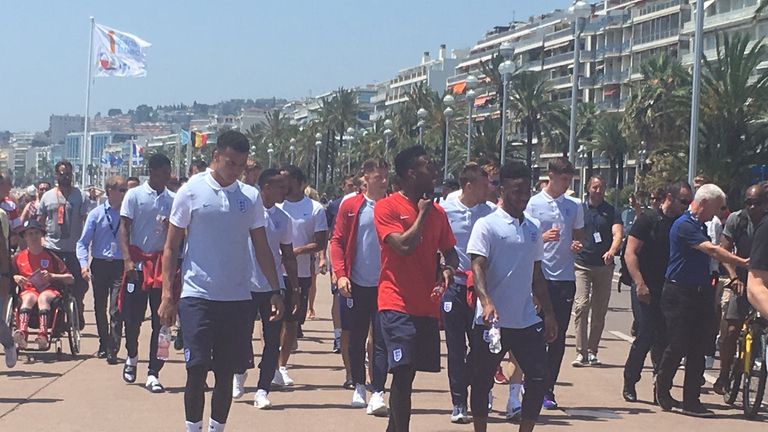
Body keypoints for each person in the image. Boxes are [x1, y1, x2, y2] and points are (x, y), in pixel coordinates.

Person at [158, 130, 284, 432]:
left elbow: (262, 247)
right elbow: (172, 246)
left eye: (241, 165)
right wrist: (166, 294)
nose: (236, 170)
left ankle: (217, 428)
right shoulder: (191, 191)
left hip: (237, 298)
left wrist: (275, 289)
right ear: (216, 157)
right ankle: (193, 428)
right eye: (230, 163)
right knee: (197, 368)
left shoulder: (250, 197)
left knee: (226, 372)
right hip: (197, 295)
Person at [468, 161, 558, 432]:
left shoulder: (533, 227)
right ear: (502, 188)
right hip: (492, 322)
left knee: (538, 378)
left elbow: (537, 274)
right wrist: (486, 301)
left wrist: (550, 314)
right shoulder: (487, 225)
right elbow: (477, 266)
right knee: (482, 381)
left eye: (526, 192)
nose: (522, 198)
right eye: (516, 191)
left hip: (525, 320)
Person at [374, 145, 458, 431]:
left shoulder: (439, 213)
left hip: (426, 306)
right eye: (428, 165)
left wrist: (447, 268)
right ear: (411, 173)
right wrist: (421, 214)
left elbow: (451, 251)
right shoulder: (387, 207)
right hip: (395, 302)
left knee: (408, 376)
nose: (434, 170)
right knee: (402, 370)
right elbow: (403, 247)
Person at [656, 184, 748, 418]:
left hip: (700, 291)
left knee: (699, 347)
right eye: (716, 208)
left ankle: (691, 400)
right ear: (705, 203)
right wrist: (742, 261)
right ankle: (663, 385)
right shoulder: (685, 224)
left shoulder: (700, 225)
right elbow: (712, 250)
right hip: (679, 292)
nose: (717, 213)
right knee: (678, 344)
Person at [232, 168, 299, 409]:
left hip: (272, 286)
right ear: (267, 187)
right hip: (244, 284)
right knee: (241, 334)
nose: (286, 190)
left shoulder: (283, 219)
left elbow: (288, 255)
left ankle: (263, 388)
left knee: (272, 340)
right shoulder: (246, 213)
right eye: (281, 186)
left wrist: (295, 288)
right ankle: (239, 372)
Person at [622, 181, 692, 404]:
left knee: (665, 338)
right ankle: (630, 381)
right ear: (669, 198)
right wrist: (639, 284)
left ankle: (661, 389)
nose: (686, 206)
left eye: (689, 202)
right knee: (645, 335)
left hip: (669, 288)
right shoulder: (648, 220)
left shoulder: (683, 223)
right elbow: (630, 253)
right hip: (644, 284)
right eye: (683, 201)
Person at [330, 158, 390, 415]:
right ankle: (358, 385)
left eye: (386, 176)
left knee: (381, 339)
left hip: (386, 285)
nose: (384, 180)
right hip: (355, 284)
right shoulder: (352, 205)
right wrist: (341, 274)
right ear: (366, 176)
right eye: (379, 176)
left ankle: (378, 391)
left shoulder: (392, 205)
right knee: (355, 337)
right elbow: (337, 241)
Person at [524, 157, 584, 410]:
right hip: (540, 278)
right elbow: (525, 235)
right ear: (550, 176)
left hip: (565, 278)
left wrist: (576, 245)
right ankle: (530, 381)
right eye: (562, 178)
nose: (565, 183)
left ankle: (548, 388)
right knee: (535, 333)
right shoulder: (534, 203)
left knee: (557, 337)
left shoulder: (575, 205)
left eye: (569, 179)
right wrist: (542, 237)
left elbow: (578, 235)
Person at [437, 162, 495, 423]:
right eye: (485, 185)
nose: (489, 189)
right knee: (455, 347)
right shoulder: (445, 210)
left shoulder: (492, 212)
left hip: (483, 289)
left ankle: (482, 390)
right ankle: (458, 402)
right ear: (469, 186)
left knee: (483, 346)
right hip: (455, 286)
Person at [118, 153, 174, 393]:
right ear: (151, 171)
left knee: (161, 322)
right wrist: (127, 260)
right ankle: (131, 355)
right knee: (132, 317)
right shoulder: (134, 195)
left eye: (168, 173)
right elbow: (123, 228)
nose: (166, 177)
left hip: (161, 268)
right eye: (162, 173)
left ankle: (154, 371)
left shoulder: (172, 199)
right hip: (138, 268)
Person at [275, 165, 328, 386]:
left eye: (285, 180)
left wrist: (296, 252)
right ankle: (271, 365)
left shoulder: (314, 209)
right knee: (272, 321)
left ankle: (281, 365)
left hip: (301, 272)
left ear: (298, 182)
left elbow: (321, 242)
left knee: (291, 322)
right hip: (274, 272)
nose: (281, 185)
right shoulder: (275, 205)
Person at [713, 184, 768, 394]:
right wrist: (734, 276)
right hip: (742, 277)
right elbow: (723, 251)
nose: (752, 207)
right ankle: (724, 374)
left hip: (764, 277)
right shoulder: (737, 219)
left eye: (758, 203)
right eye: (749, 203)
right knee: (732, 329)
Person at [572, 175, 623, 367]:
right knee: (581, 306)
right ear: (588, 189)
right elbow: (571, 231)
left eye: (601, 187)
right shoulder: (580, 209)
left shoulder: (610, 211)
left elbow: (618, 233)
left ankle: (592, 350)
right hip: (582, 264)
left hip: (604, 266)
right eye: (595, 187)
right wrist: (573, 244)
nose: (598, 191)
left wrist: (612, 251)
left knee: (599, 310)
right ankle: (580, 352)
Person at [76, 176, 128, 364]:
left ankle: (113, 347)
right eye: (121, 190)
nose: (124, 193)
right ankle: (103, 342)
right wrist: (83, 265)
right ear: (109, 191)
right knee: (99, 306)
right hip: (99, 264)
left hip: (120, 265)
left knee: (116, 307)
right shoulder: (96, 214)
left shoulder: (127, 214)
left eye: (125, 190)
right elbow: (82, 243)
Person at [38, 161, 89, 328]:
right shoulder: (47, 196)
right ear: (56, 175)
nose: (65, 176)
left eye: (68, 173)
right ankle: (56, 320)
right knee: (53, 285)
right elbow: (40, 221)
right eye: (62, 173)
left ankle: (78, 310)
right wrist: (41, 240)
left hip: (74, 249)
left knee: (79, 284)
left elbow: (86, 221)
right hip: (52, 248)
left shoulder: (80, 196)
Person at [11, 220, 74, 350]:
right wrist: (15, 277)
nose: (33, 236)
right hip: (29, 290)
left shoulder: (51, 256)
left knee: (43, 298)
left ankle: (43, 334)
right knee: (28, 298)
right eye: (30, 234)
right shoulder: (18, 258)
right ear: (25, 237)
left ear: (41, 235)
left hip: (48, 290)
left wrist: (53, 276)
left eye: (36, 233)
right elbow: (9, 276)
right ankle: (22, 332)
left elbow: (70, 278)